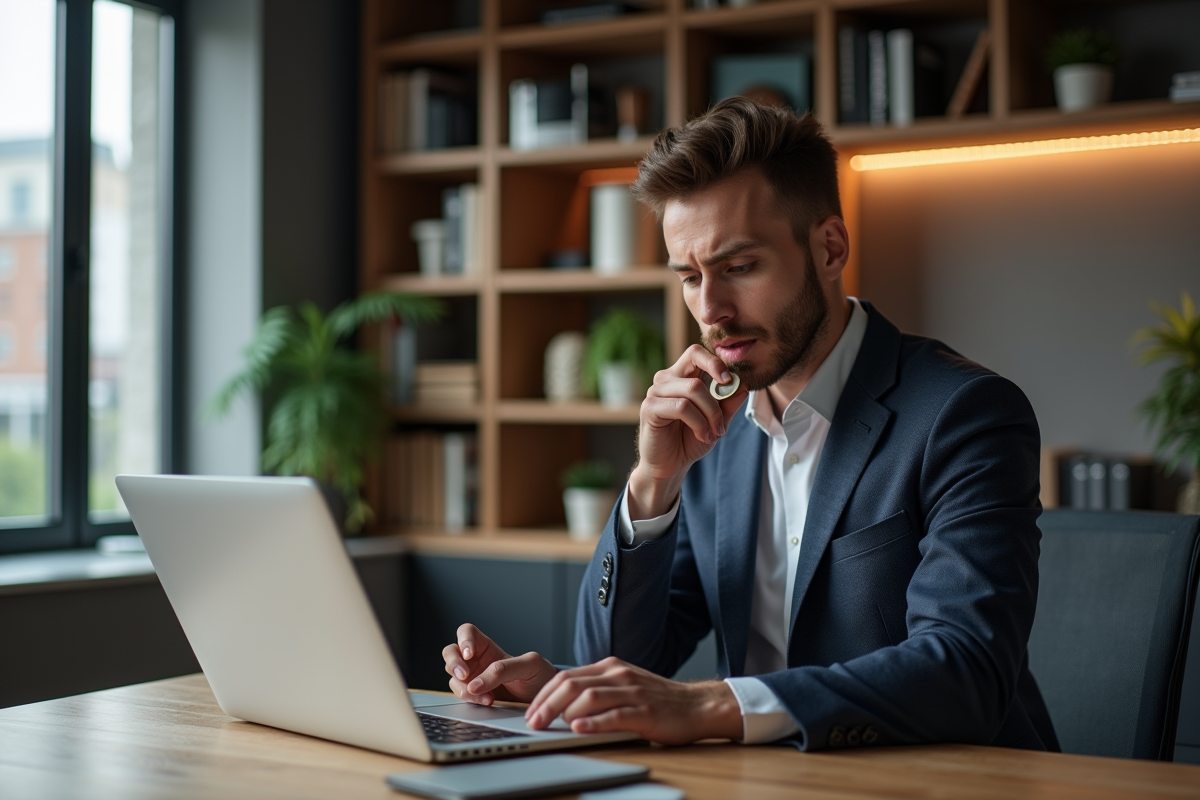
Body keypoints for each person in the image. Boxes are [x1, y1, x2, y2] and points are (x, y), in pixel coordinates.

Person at [441, 97, 1060, 752]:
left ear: (829, 248)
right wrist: (653, 483)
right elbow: (624, 657)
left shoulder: (965, 414)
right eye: (689, 276)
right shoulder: (707, 427)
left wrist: (708, 703)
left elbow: (967, 670)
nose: (712, 310)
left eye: (739, 268)